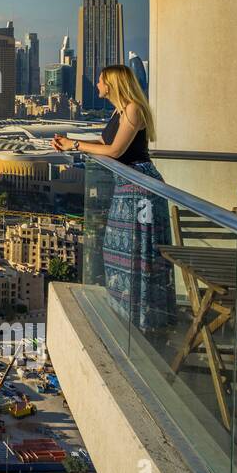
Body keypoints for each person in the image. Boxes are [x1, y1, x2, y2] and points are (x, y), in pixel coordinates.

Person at [53, 64, 174, 330]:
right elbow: (105, 145)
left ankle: (146, 319)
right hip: (126, 187)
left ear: (112, 83)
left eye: (100, 81)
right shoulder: (119, 112)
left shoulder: (133, 109)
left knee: (139, 251)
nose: (97, 85)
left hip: (140, 188)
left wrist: (74, 145)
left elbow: (116, 151)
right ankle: (127, 313)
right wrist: (70, 141)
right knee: (120, 249)